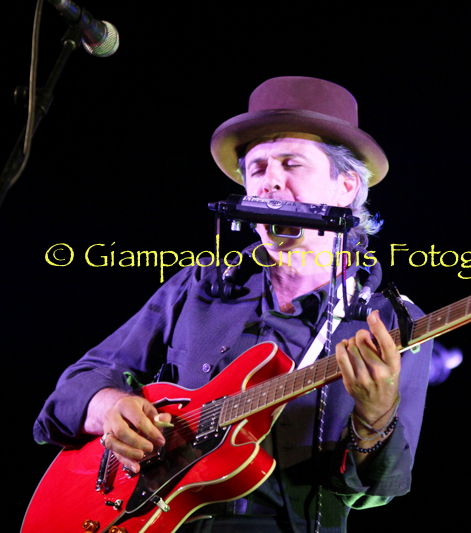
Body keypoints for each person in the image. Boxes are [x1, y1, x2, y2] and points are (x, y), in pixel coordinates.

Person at [34, 76, 433, 532]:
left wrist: (376, 416)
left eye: (291, 163)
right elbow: (77, 385)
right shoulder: (198, 286)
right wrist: (109, 407)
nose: (269, 182)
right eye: (257, 169)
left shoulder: (393, 322)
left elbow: (377, 491)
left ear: (344, 187)